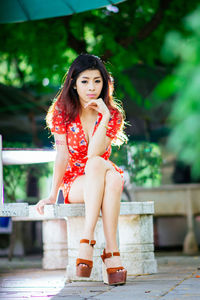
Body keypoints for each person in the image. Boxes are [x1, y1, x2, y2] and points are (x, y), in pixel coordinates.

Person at [36, 53, 128, 285]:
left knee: (104, 170)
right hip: (74, 183)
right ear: (74, 83)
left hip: (100, 174)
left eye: (97, 81)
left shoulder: (112, 114)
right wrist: (51, 194)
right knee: (111, 175)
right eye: (85, 81)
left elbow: (94, 154)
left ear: (105, 83)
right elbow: (62, 156)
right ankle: (109, 252)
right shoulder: (62, 111)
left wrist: (104, 115)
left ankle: (94, 245)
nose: (91, 87)